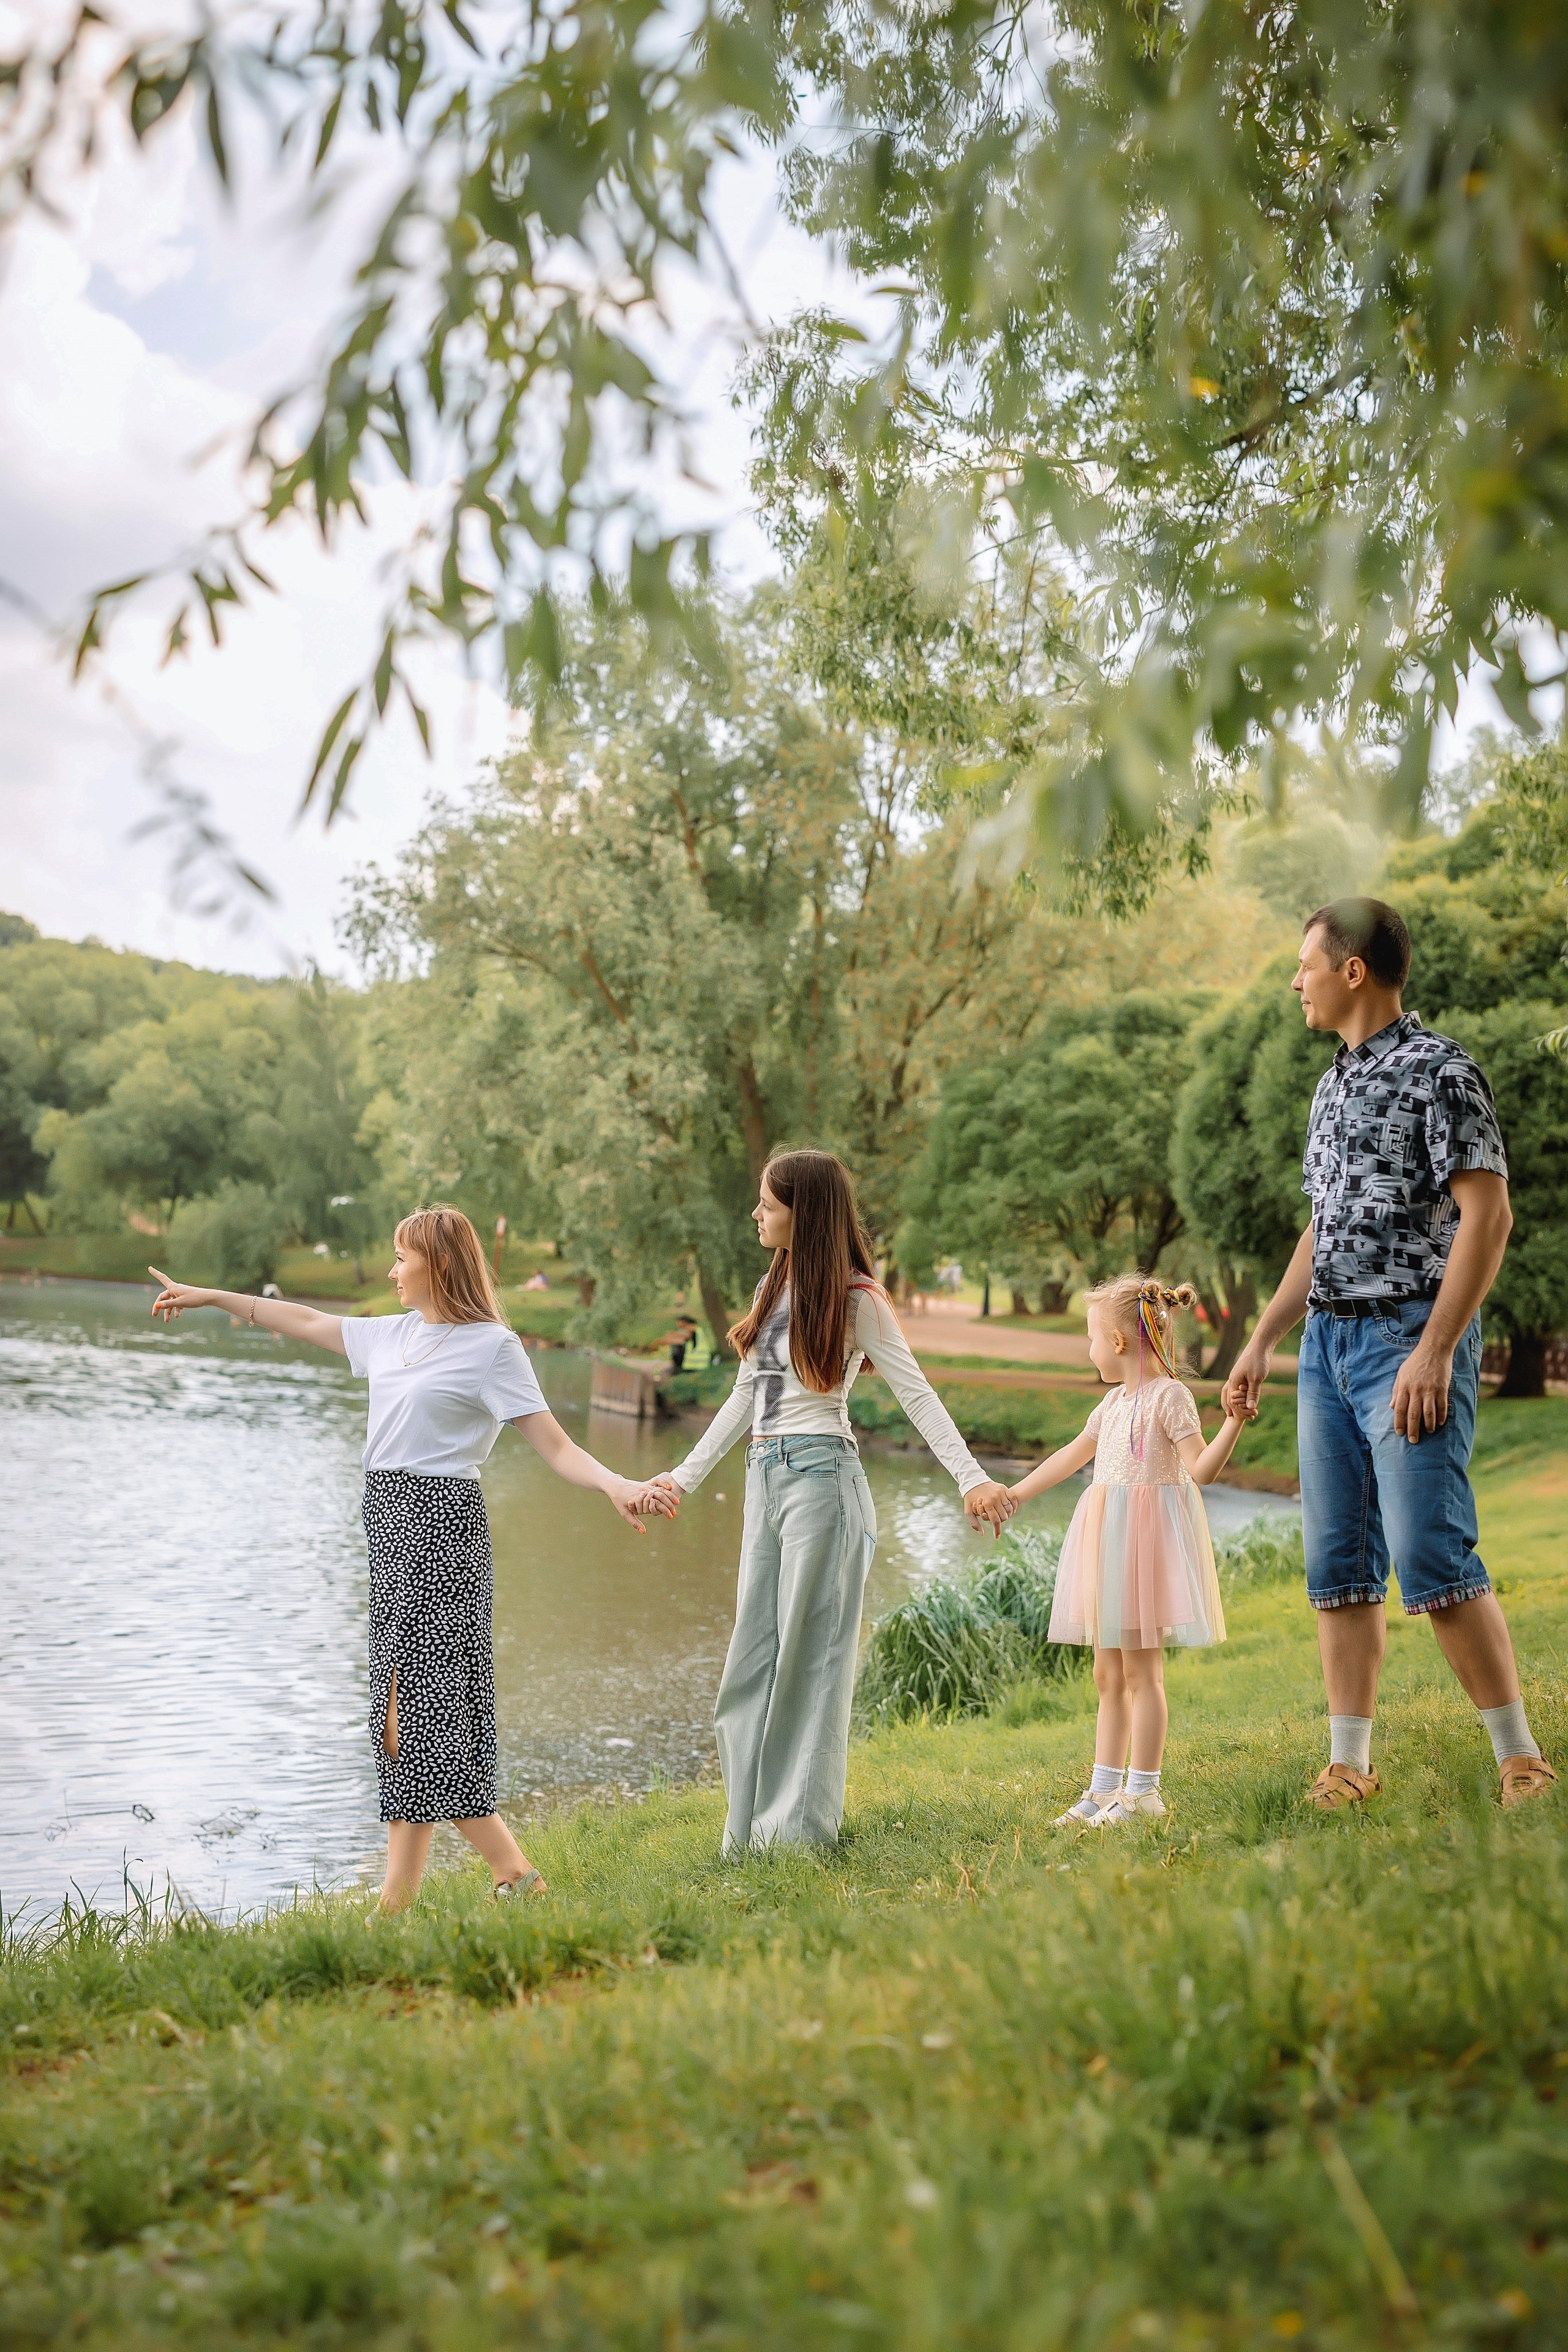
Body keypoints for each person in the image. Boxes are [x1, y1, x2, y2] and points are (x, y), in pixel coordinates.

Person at [149, 1205, 671, 1909]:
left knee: (412, 1718)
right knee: (401, 1720)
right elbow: (303, 1321)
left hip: (442, 1530)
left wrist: (616, 1483)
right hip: (390, 1527)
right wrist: (212, 1296)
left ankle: (505, 1875)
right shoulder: (393, 1336)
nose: (393, 1270)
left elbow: (555, 1445)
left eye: (402, 1258)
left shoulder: (493, 1348)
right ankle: (420, 1894)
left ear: (440, 1264)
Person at [1223, 897, 1556, 1811]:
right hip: (1329, 1348)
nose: (1296, 981)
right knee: (1339, 1569)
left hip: (1411, 1338)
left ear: (1353, 970)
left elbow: (1489, 1217)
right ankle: (1351, 1765)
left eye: (1306, 965)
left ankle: (1520, 1757)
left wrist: (1435, 1349)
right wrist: (1264, 1336)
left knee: (1433, 1555)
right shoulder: (1331, 1084)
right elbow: (1322, 1230)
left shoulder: (1442, 1072)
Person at [647, 1149, 1016, 1853]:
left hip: (824, 1484)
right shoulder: (770, 1285)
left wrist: (972, 1478)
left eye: (767, 1203)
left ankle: (798, 1840)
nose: (755, 1214)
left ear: (803, 1211)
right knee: (751, 1660)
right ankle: (745, 1836)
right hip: (765, 1478)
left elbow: (916, 1391)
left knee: (809, 1666)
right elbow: (747, 1396)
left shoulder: (857, 1299)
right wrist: (682, 1478)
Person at [1005, 1278, 1248, 1826]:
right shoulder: (1112, 1405)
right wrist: (1014, 1495)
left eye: (1092, 1338)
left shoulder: (1170, 1397)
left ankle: (1143, 1794)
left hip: (1144, 1552)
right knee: (1107, 1676)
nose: (1089, 1350)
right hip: (1107, 1546)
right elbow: (1069, 1458)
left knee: (1143, 1675)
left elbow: (1201, 1469)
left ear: (1117, 1342)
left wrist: (1233, 1421)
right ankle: (1103, 1789)